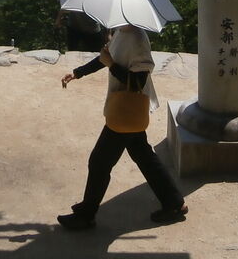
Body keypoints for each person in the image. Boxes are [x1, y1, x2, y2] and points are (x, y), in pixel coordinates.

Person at [57, 23, 187, 230]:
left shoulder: (137, 39)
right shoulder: (121, 32)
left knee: (99, 162)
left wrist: (111, 64)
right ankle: (174, 203)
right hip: (127, 111)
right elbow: (105, 58)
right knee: (143, 156)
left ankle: (86, 215)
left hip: (126, 109)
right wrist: (78, 72)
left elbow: (137, 82)